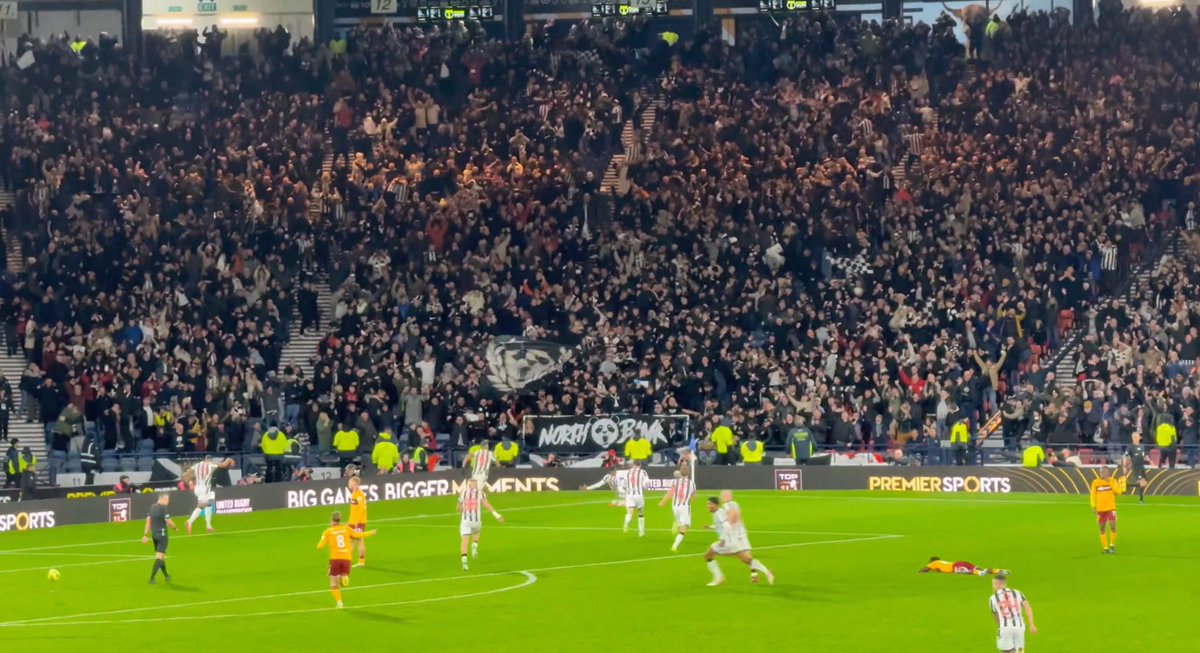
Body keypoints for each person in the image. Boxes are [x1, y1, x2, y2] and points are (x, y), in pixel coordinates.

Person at [703, 491, 773, 586]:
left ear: (715, 505)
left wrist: (722, 540)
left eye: (709, 504)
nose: (707, 506)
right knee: (747, 560)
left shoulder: (719, 513)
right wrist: (711, 527)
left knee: (708, 555)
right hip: (732, 542)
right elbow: (721, 525)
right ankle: (767, 573)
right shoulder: (720, 512)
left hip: (727, 543)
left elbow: (726, 526)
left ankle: (719, 577)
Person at [316, 511, 377, 608]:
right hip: (346, 559)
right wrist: (371, 533)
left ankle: (339, 603)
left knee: (333, 580)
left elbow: (319, 547)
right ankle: (344, 576)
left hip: (335, 559)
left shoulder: (328, 531)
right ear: (340, 520)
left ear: (331, 520)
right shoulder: (346, 529)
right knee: (342, 576)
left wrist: (319, 546)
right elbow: (358, 535)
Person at [457, 478, 503, 571]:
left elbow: (458, 509)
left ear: (468, 485)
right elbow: (486, 505)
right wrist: (497, 515)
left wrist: (463, 507)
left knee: (464, 540)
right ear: (476, 485)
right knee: (476, 532)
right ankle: (474, 545)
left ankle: (464, 560)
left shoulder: (463, 493)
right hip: (476, 521)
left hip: (466, 521)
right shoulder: (480, 493)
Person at [185, 455, 235, 534]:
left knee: (208, 504)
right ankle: (189, 522)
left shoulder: (197, 465)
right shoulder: (210, 465)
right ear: (209, 460)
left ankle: (208, 526)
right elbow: (224, 465)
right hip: (204, 488)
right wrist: (228, 459)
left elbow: (187, 473)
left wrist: (189, 482)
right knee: (201, 506)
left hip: (198, 488)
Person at [989, 573, 1036, 653]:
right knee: (1020, 651)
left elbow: (996, 619)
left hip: (1005, 629)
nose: (993, 586)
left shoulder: (992, 598)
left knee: (1007, 651)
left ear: (998, 584)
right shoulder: (1017, 593)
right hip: (1019, 628)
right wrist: (1031, 624)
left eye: (993, 584)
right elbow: (1028, 608)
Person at [658, 458, 695, 551]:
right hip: (684, 508)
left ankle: (676, 522)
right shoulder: (691, 483)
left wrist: (663, 502)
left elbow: (670, 493)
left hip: (675, 507)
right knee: (683, 529)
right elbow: (694, 498)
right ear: (689, 473)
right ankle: (674, 546)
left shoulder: (675, 482)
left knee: (679, 521)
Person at [141, 493, 178, 584]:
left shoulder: (152, 507)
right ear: (163, 499)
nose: (168, 501)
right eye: (167, 499)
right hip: (162, 535)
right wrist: (175, 527)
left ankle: (166, 575)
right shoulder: (163, 508)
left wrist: (145, 535)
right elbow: (168, 521)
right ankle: (152, 578)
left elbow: (148, 522)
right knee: (159, 558)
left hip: (154, 535)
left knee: (160, 556)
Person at [1090, 466, 1125, 554]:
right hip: (1101, 509)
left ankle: (1112, 545)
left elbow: (1118, 492)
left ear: (1108, 473)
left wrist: (1110, 483)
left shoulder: (1112, 481)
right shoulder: (1095, 482)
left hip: (1111, 507)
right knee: (1102, 528)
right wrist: (1093, 506)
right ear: (1099, 473)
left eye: (1105, 472)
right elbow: (1092, 495)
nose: (1103, 474)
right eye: (1102, 472)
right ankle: (1105, 548)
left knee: (1113, 526)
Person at [623, 460, 650, 537]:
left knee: (629, 513)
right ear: (640, 465)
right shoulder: (643, 472)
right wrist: (645, 487)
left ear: (633, 464)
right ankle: (641, 532)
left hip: (629, 495)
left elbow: (624, 485)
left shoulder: (627, 472)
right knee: (641, 513)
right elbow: (646, 483)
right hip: (638, 495)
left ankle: (626, 524)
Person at [348, 476, 368, 567]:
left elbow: (362, 509)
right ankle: (352, 560)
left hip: (358, 523)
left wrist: (357, 522)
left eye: (350, 482)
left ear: (354, 484)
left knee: (358, 541)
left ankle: (360, 562)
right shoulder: (354, 493)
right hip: (353, 522)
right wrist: (350, 521)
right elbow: (354, 510)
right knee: (351, 541)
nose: (349, 483)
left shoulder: (359, 495)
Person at [1123, 432, 1148, 503]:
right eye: (1135, 437)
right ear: (1133, 438)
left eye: (1137, 436)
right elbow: (1125, 456)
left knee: (1144, 483)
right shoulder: (1130, 447)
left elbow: (1144, 455)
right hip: (1136, 467)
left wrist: (1149, 460)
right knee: (1142, 483)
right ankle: (1141, 499)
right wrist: (1125, 466)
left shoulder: (1142, 446)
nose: (1136, 438)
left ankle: (1128, 485)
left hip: (1142, 467)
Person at [919, 557, 1007, 576]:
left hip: (956, 566)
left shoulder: (934, 563)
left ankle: (980, 573)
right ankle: (998, 571)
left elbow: (923, 570)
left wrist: (918, 573)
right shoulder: (942, 563)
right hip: (961, 562)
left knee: (964, 572)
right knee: (978, 568)